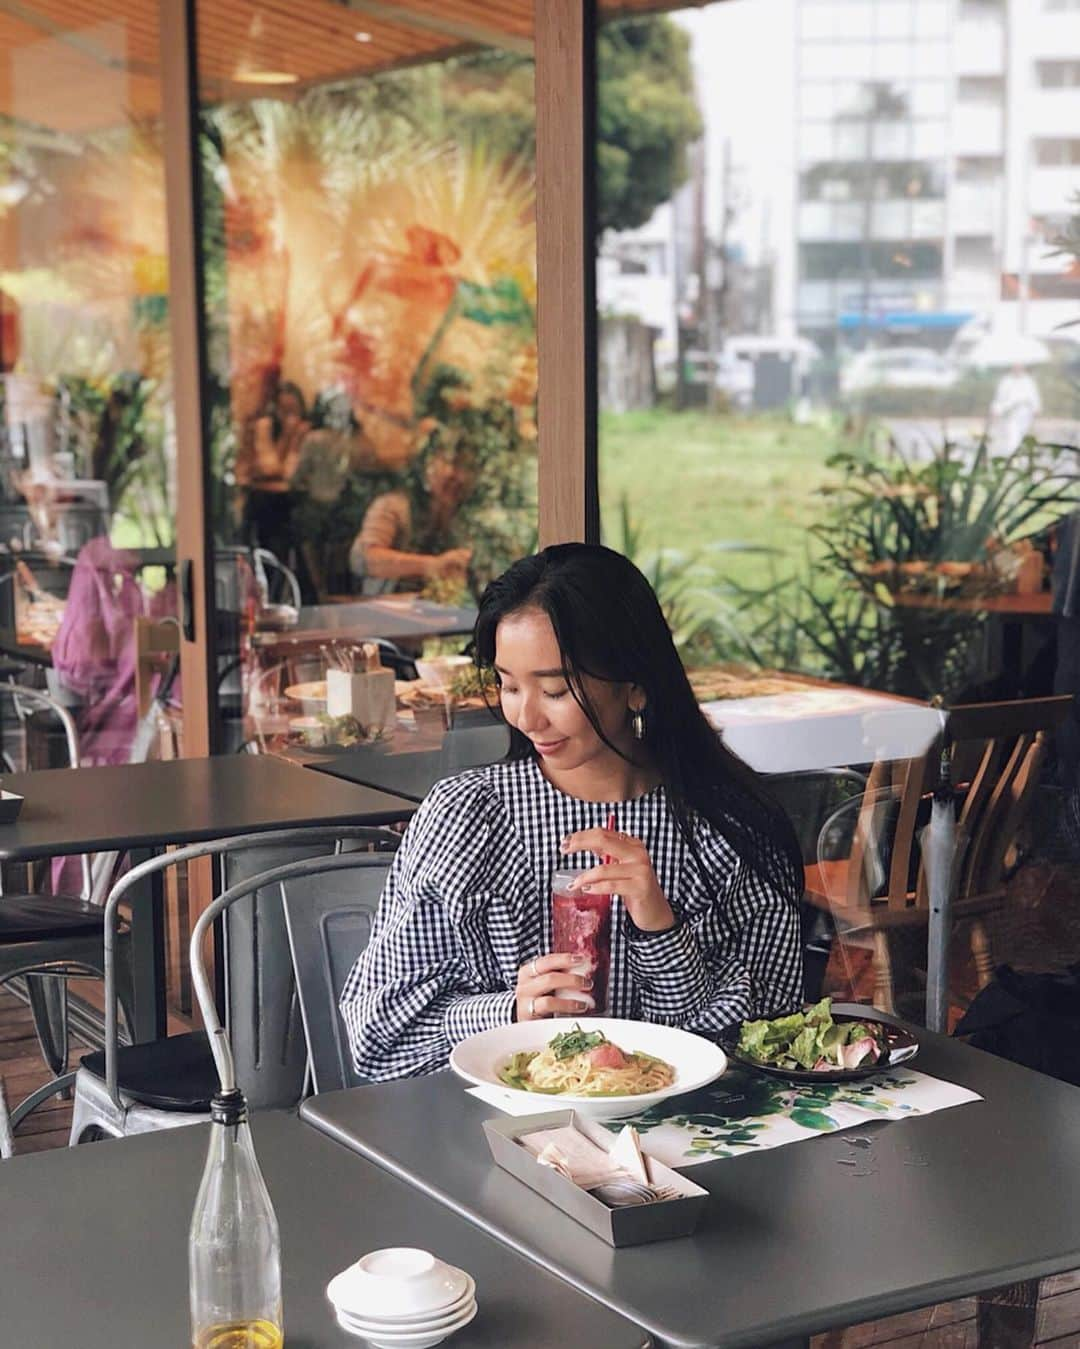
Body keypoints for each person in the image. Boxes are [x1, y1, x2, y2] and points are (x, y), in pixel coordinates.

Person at [340, 543, 804, 1080]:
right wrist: (510, 1013)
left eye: (556, 690)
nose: (526, 717)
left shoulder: (730, 829)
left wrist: (661, 931)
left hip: (688, 1142)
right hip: (495, 1139)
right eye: (509, 686)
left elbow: (774, 1038)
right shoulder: (465, 818)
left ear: (635, 688)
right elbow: (376, 1034)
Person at [347, 440, 474, 595]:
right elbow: (366, 560)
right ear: (427, 467)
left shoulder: (466, 517)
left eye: (467, 467)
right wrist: (432, 565)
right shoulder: (393, 506)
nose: (459, 476)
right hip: (386, 612)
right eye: (451, 464)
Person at [236, 379, 311, 563]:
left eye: (293, 409)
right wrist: (285, 436)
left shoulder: (305, 434)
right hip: (262, 500)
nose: (287, 415)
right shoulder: (265, 428)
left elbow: (288, 472)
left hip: (290, 502)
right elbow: (269, 466)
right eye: (282, 409)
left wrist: (292, 438)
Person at [990, 363, 1041, 455]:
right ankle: (1012, 456)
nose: (1018, 368)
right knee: (1012, 435)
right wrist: (996, 409)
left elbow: (1034, 396)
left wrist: (1036, 408)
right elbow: (999, 397)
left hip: (1025, 413)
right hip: (1010, 413)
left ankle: (1020, 456)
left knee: (1023, 435)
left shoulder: (1028, 381)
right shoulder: (1006, 381)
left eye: (1020, 366)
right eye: (1015, 366)